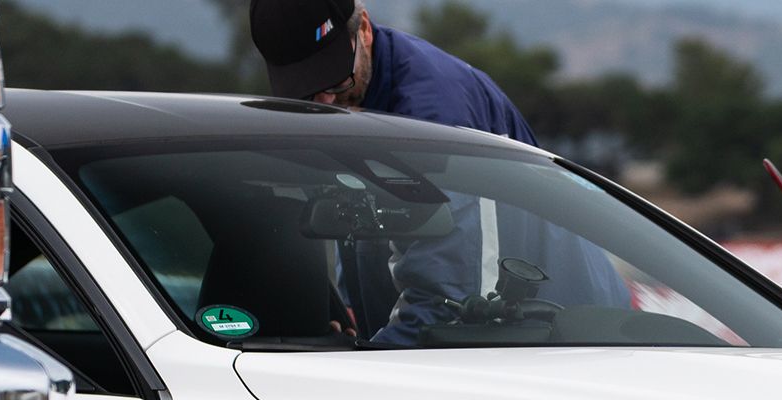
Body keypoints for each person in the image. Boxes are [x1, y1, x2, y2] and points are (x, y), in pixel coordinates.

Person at [248, 0, 629, 345]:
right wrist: (350, 321)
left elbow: (454, 303)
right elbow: (360, 225)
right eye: (309, 90)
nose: (326, 100)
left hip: (567, 330)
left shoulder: (434, 119)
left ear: (364, 29)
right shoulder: (345, 109)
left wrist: (367, 361)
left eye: (336, 80)